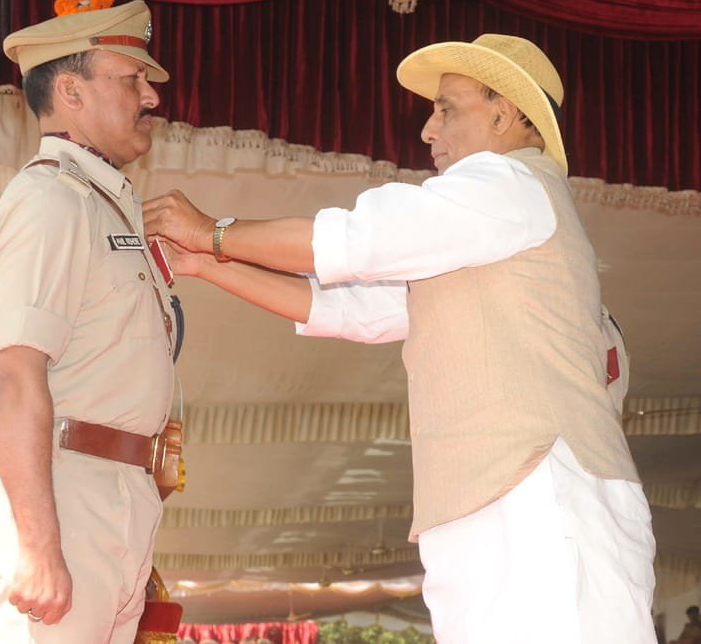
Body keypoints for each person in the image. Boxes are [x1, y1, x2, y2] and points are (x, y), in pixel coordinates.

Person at [143, 34, 657, 643]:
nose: (427, 132)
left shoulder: (511, 183)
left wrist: (213, 232)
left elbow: (362, 240)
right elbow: (347, 309)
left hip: (542, 503)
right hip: (497, 509)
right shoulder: (484, 231)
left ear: (506, 113)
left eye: (447, 108)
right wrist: (209, 262)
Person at [0, 0, 178, 643]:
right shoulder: (51, 200)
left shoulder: (102, 205)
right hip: (65, 489)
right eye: (131, 79)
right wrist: (38, 544)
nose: (151, 97)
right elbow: (13, 376)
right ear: (71, 90)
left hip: (108, 491)